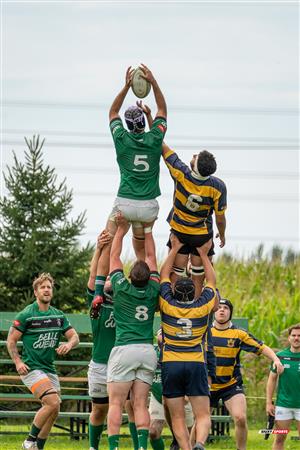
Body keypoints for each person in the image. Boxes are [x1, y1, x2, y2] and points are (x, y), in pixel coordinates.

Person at [6, 273, 79, 450]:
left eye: (49, 287)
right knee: (52, 402)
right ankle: (29, 442)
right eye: (43, 287)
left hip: (49, 369)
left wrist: (69, 345)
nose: (47, 290)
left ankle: (38, 447)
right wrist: (18, 362)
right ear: (36, 292)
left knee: (55, 410)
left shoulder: (58, 315)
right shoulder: (26, 315)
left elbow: (75, 337)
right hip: (31, 368)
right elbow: (11, 341)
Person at [106, 212, 160, 450]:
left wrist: (120, 229)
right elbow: (151, 255)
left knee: (116, 403)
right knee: (140, 403)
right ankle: (140, 448)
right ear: (149, 278)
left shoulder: (121, 287)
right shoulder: (153, 289)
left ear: (129, 276)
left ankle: (113, 448)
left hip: (125, 348)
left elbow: (114, 255)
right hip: (147, 350)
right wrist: (147, 229)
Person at [159, 234, 218, 450]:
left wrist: (174, 249)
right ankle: (199, 443)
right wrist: (203, 254)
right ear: (195, 293)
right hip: (195, 362)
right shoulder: (202, 307)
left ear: (174, 291)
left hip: (171, 363)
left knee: (177, 418)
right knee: (202, 415)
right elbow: (211, 282)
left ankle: (185, 449)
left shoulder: (167, 303)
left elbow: (164, 274)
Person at [108, 64, 167, 259]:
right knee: (143, 250)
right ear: (143, 121)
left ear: (127, 125)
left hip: (125, 202)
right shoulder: (154, 139)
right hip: (148, 206)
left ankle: (102, 283)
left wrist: (126, 86)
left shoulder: (122, 139)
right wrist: (153, 82)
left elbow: (113, 112)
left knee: (107, 241)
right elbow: (162, 110)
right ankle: (147, 278)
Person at [210, 298, 284, 450]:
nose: (222, 310)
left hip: (231, 384)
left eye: (225, 308)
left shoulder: (238, 333)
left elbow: (262, 347)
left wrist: (276, 359)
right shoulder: (205, 331)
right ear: (214, 311)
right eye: (219, 307)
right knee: (200, 421)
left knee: (240, 418)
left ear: (230, 313)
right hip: (207, 384)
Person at [162, 142, 227, 297]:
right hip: (201, 237)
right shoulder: (218, 186)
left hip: (179, 232)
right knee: (198, 278)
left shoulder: (181, 173)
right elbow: (220, 218)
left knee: (175, 274)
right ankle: (196, 310)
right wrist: (222, 234)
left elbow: (162, 147)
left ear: (195, 166)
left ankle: (171, 306)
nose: (193, 155)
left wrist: (151, 120)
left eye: (195, 156)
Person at [87, 230, 116, 450]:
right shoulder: (96, 301)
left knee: (128, 406)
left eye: (110, 277)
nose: (106, 279)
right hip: (99, 364)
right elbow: (93, 276)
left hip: (122, 364)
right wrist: (99, 249)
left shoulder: (125, 300)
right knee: (99, 410)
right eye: (103, 277)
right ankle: (93, 447)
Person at [149, 330, 194, 450]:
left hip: (182, 395)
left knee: (189, 439)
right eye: (161, 334)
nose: (163, 337)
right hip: (158, 395)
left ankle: (178, 440)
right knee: (153, 432)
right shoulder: (151, 354)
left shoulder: (180, 352)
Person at [266, 323, 300, 450]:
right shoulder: (279, 357)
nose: (296, 338)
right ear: (289, 338)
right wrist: (269, 403)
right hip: (283, 405)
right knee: (279, 438)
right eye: (294, 335)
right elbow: (271, 380)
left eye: (299, 336)